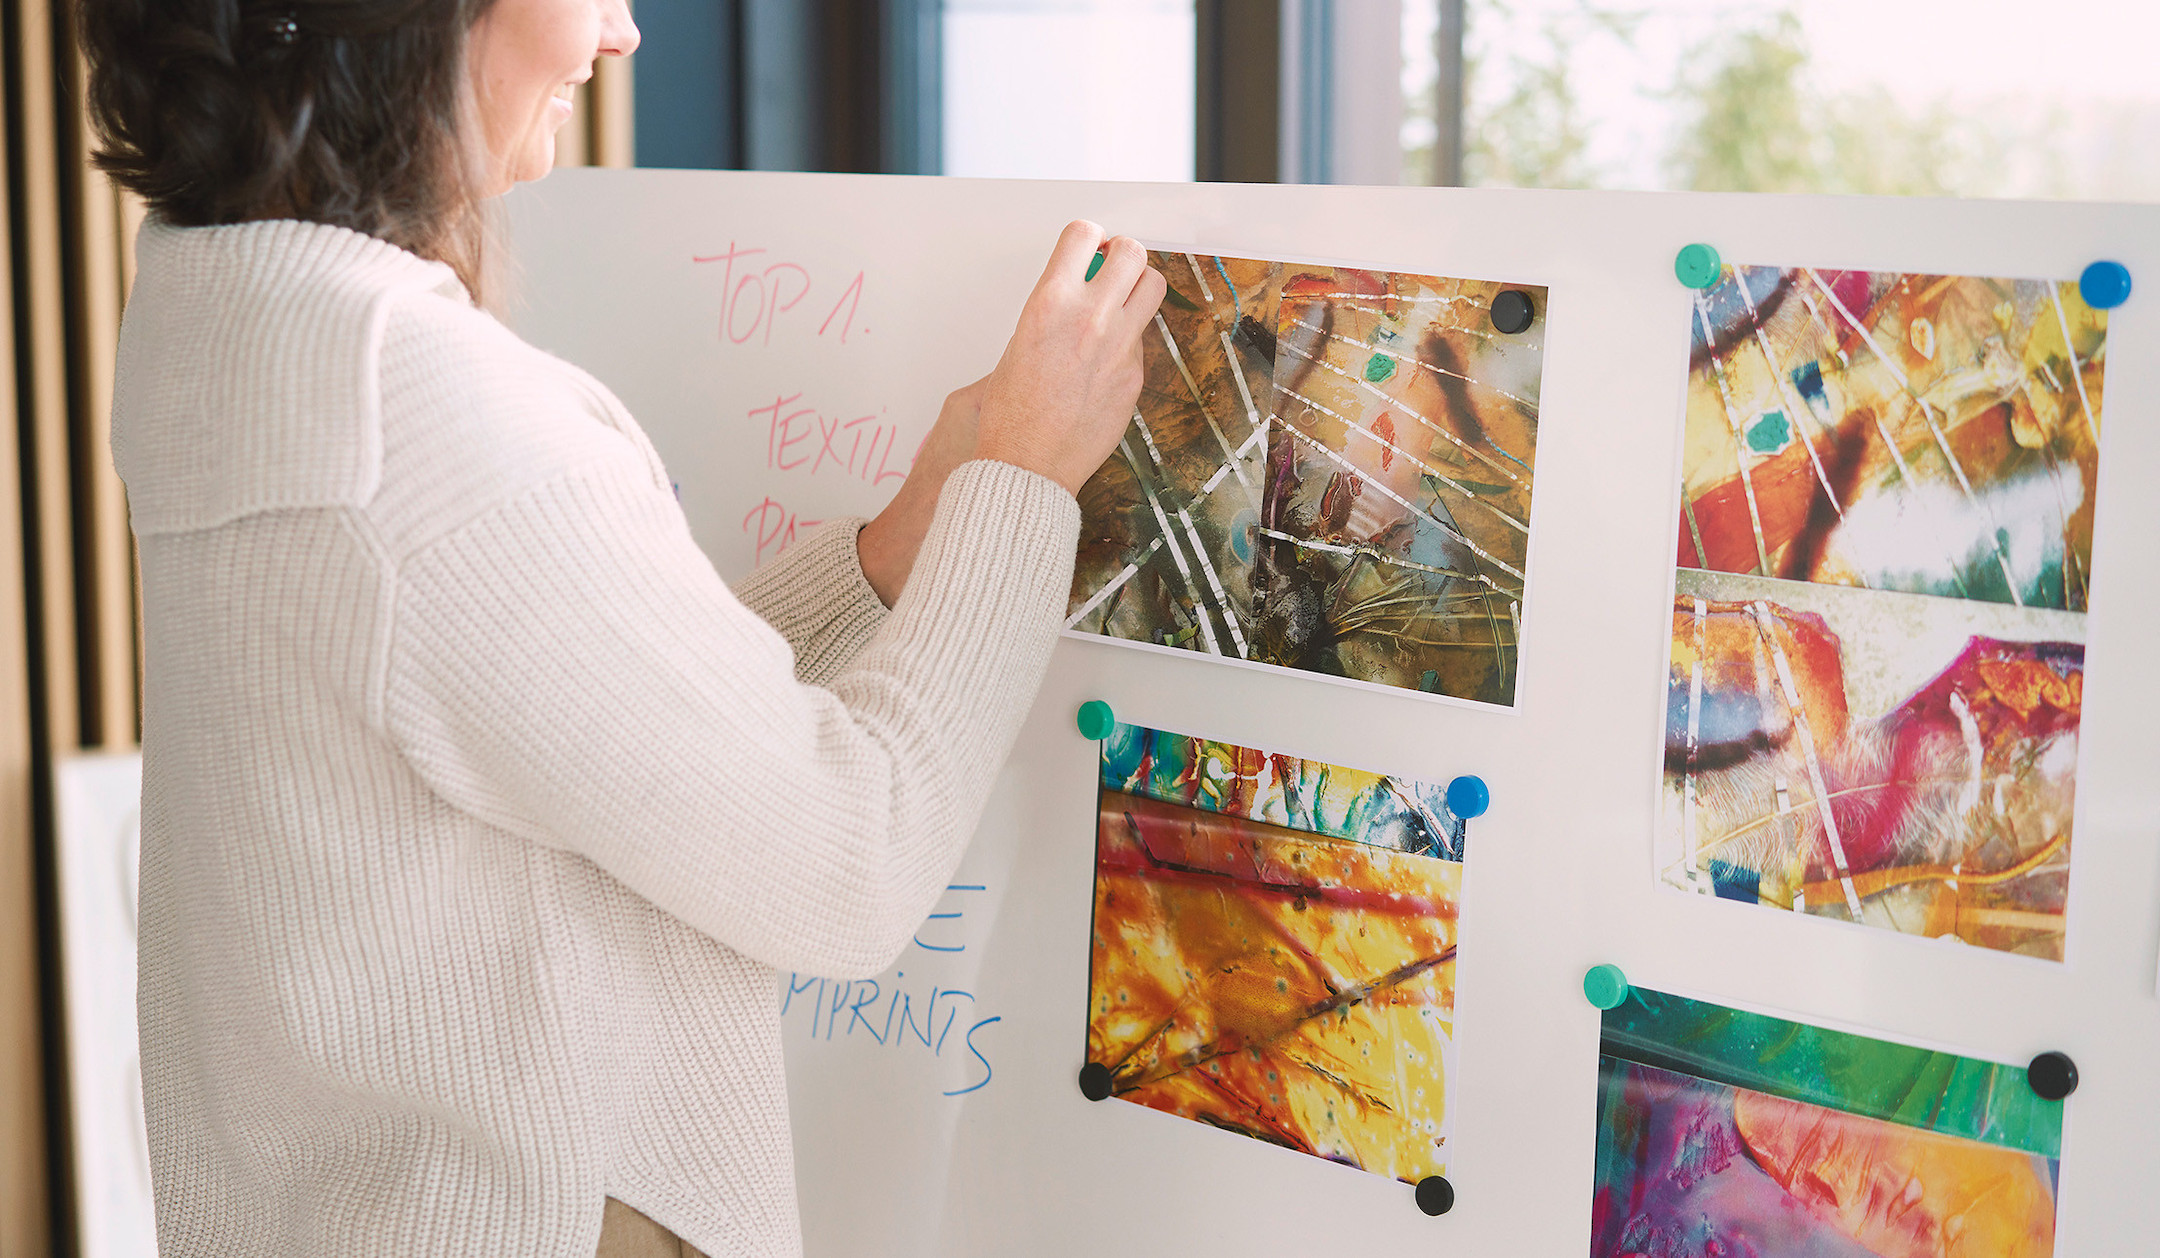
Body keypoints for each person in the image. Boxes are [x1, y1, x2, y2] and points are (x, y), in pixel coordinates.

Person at [81, 0, 1166, 1253]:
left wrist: (900, 548)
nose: (621, 30)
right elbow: (851, 865)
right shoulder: (434, 420)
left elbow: (561, 725)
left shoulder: (226, 329)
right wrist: (1023, 483)